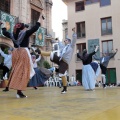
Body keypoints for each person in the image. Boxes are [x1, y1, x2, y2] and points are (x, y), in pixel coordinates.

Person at [0, 15, 42, 98]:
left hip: (15, 53)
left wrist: (3, 24)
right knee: (24, 72)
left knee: (17, 71)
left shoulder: (12, 34)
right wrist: (40, 18)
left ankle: (16, 89)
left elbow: (4, 32)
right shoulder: (25, 33)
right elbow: (36, 27)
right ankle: (19, 92)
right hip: (23, 53)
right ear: (22, 28)